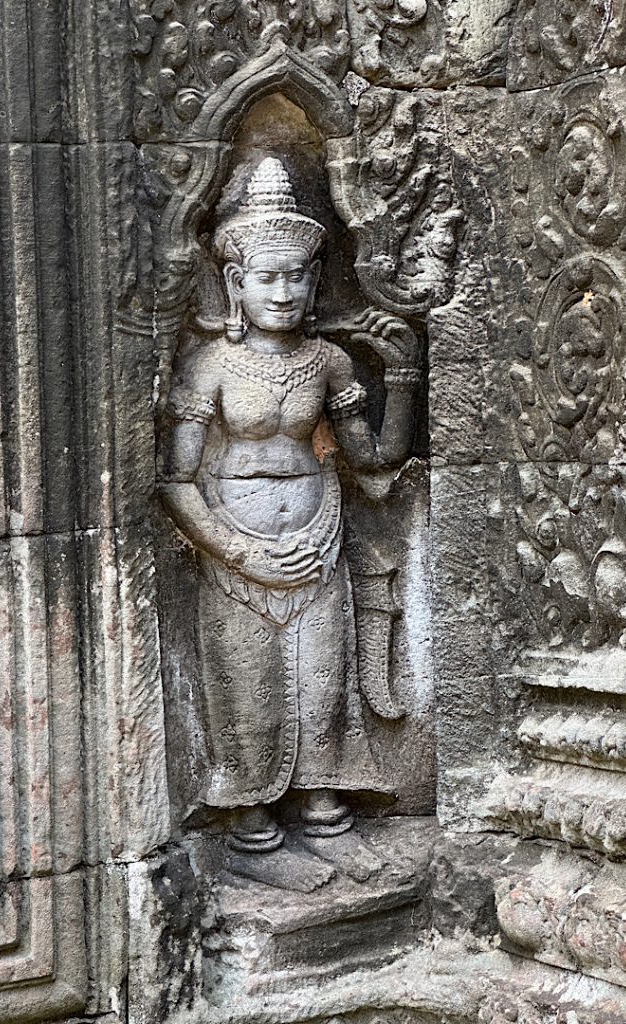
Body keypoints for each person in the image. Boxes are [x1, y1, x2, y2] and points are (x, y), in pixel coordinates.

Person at [160, 157, 420, 853]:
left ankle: (325, 812)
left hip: (316, 543)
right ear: (236, 285)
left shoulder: (329, 362)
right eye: (266, 278)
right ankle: (248, 824)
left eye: (296, 276)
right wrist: (239, 548)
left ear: (312, 283)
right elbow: (176, 480)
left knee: (319, 691)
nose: (281, 292)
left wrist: (404, 373)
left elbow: (371, 460)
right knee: (248, 695)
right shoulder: (210, 365)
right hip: (237, 555)